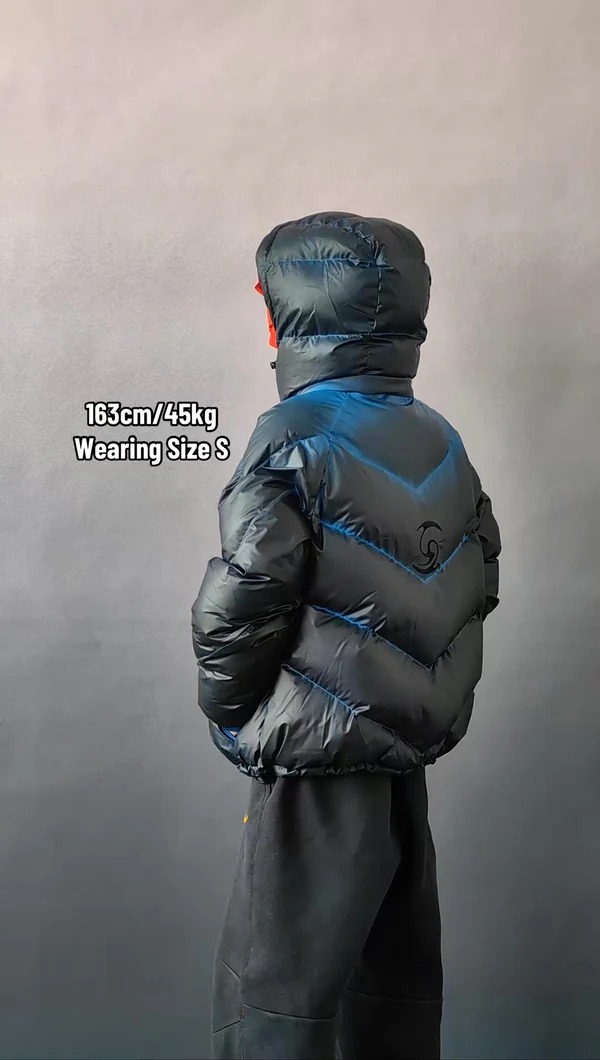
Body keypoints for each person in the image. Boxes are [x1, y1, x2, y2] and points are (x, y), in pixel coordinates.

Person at [191, 211, 501, 1060]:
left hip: (312, 770)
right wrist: (426, 702)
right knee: (391, 1001)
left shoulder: (292, 436)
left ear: (289, 315)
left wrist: (234, 717)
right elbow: (479, 576)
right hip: (400, 768)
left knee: (273, 1009)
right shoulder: (438, 434)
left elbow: (240, 602)